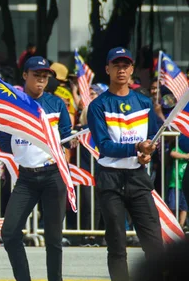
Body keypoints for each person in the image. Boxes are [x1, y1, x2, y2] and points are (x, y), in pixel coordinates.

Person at [87, 47, 162, 281]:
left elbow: (151, 139)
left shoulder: (144, 102)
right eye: (116, 65)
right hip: (110, 179)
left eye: (125, 65)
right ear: (107, 69)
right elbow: (105, 146)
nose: (121, 70)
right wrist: (138, 148)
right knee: (117, 245)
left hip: (137, 178)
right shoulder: (98, 106)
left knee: (154, 244)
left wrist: (147, 154)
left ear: (131, 70)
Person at [0, 56, 72, 281]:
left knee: (53, 239)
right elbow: (3, 142)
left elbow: (67, 139)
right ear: (24, 76)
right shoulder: (13, 104)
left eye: (44, 76)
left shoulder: (56, 103)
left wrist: (63, 163)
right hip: (26, 177)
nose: (41, 80)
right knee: (9, 233)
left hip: (53, 175)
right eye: (36, 75)